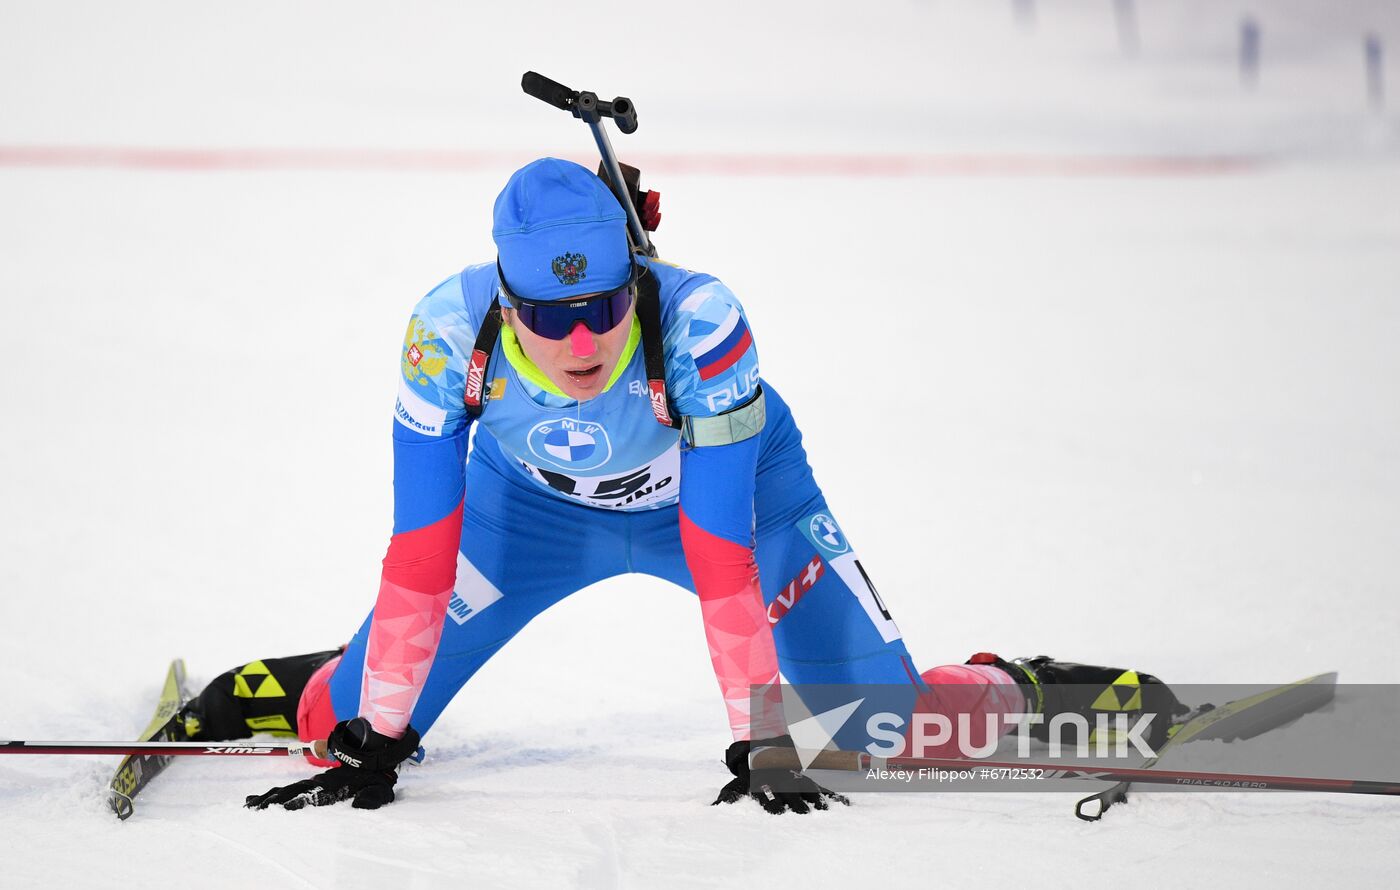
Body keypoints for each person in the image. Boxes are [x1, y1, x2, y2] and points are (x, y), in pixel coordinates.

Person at [179, 158, 1180, 814]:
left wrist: (759, 737)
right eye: (548, 315)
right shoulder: (442, 331)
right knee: (341, 721)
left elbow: (719, 547)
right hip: (528, 512)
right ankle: (319, 672)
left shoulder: (703, 323)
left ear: (633, 280)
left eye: (604, 305)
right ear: (505, 300)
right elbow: (421, 547)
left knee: (884, 730)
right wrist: (380, 727)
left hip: (727, 507)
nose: (580, 340)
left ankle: (1026, 683)